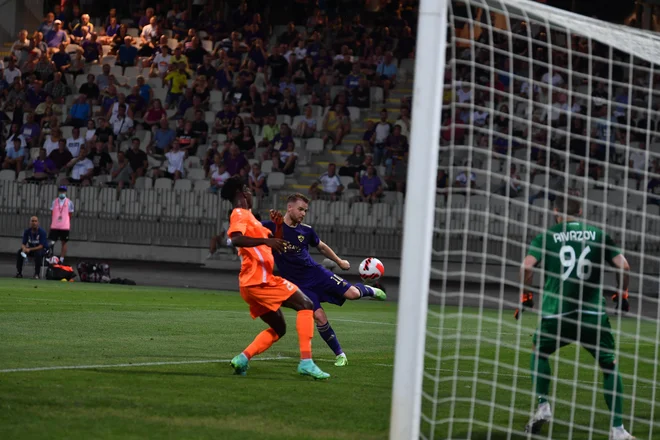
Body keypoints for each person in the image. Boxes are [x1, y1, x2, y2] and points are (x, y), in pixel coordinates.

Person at [517, 191, 634, 440]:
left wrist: (526, 295)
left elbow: (527, 266)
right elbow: (624, 265)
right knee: (609, 367)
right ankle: (617, 430)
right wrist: (622, 293)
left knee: (539, 351)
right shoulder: (598, 235)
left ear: (556, 212)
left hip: (557, 314)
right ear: (580, 212)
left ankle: (543, 406)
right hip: (592, 315)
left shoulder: (546, 237)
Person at [220, 177, 330, 380]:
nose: (252, 194)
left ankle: (242, 359)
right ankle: (306, 362)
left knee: (279, 328)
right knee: (306, 304)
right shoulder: (239, 213)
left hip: (250, 285)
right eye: (249, 190)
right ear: (243, 192)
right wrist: (265, 239)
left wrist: (278, 227)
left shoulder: (250, 217)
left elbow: (272, 243)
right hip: (260, 280)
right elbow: (234, 238)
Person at [262, 194, 386, 366]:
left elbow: (321, 246)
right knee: (319, 317)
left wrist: (340, 261)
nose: (303, 213)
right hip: (298, 286)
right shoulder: (271, 227)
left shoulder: (306, 230)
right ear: (289, 208)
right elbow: (251, 231)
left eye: (305, 210)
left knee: (352, 294)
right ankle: (340, 354)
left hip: (316, 273)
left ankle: (370, 290)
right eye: (300, 209)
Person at [49, 185, 74, 263]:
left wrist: (65, 221)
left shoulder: (69, 202)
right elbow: (52, 213)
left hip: (64, 226)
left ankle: (62, 259)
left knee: (64, 242)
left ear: (65, 192)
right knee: (52, 242)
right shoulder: (54, 201)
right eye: (60, 191)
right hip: (55, 226)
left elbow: (70, 214)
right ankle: (50, 256)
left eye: (63, 191)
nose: (62, 193)